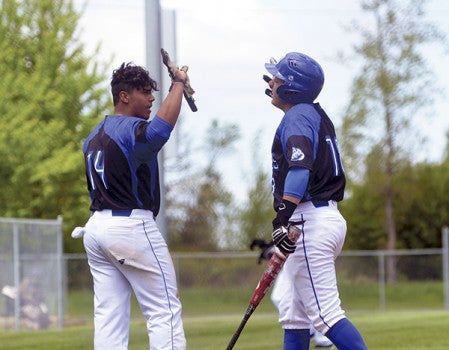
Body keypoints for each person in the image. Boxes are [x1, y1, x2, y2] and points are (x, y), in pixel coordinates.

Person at [80, 62, 188, 349]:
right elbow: (159, 132)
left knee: (109, 316)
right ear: (124, 96)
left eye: (152, 93)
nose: (151, 98)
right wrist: (178, 84)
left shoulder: (92, 136)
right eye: (144, 92)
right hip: (129, 226)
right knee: (164, 310)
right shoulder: (131, 129)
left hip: (95, 228)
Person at [263, 52, 368, 350]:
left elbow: (300, 166)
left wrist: (283, 216)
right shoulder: (314, 114)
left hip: (310, 221)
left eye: (277, 78)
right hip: (322, 218)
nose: (271, 82)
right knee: (295, 317)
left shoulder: (297, 115)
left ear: (292, 88)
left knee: (326, 317)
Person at [250, 238, 333, 348]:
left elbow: (294, 237)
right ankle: (313, 332)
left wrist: (270, 249)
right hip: (290, 265)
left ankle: (319, 336)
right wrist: (268, 245)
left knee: (309, 300)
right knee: (280, 298)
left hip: (303, 260)